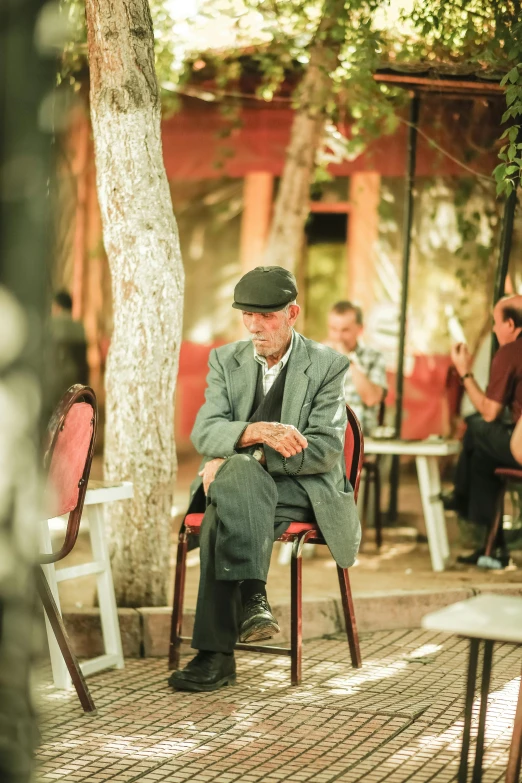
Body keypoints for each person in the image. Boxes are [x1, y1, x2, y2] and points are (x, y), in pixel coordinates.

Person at [168, 266, 361, 693]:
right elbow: (204, 430)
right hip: (246, 494)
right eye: (247, 315)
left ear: (292, 313)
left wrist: (246, 456)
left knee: (228, 489)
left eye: (267, 316)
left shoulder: (328, 365)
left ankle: (215, 657)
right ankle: (253, 599)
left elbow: (326, 449)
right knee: (228, 501)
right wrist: (254, 432)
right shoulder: (225, 359)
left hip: (300, 491)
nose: (255, 326)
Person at [443, 295, 522, 568]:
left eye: (496, 323)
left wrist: (464, 371)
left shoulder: (511, 351)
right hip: (515, 438)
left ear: (511, 324)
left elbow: (490, 412)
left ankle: (460, 498)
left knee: (476, 425)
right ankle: (490, 547)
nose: (494, 329)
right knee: (482, 457)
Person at [324, 301, 387, 435]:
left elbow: (371, 399)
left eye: (345, 330)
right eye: (333, 329)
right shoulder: (318, 356)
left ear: (360, 329)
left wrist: (348, 360)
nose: (338, 337)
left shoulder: (374, 357)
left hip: (361, 439)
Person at [50, 290, 89, 401]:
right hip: (77, 381)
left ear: (57, 306)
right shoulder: (80, 327)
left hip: (57, 381)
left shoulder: (52, 326)